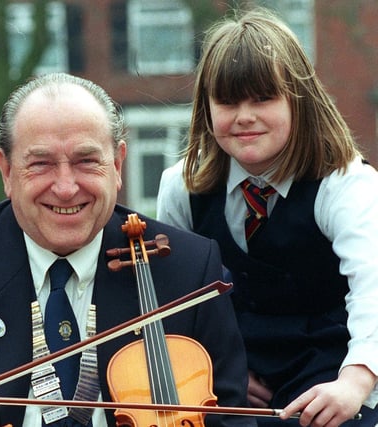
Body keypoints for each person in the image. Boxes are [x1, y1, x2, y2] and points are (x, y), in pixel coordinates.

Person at [0, 72, 254, 427]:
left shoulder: (189, 268)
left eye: (86, 161)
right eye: (40, 164)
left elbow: (231, 418)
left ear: (117, 164)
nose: (65, 187)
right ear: (6, 171)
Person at [156, 8, 378, 427]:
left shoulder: (347, 184)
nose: (244, 116)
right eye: (227, 101)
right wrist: (215, 370)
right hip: (229, 375)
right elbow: (175, 306)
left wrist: (355, 382)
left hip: (330, 376)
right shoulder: (181, 188)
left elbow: (373, 289)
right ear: (206, 108)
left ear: (299, 99)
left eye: (262, 98)